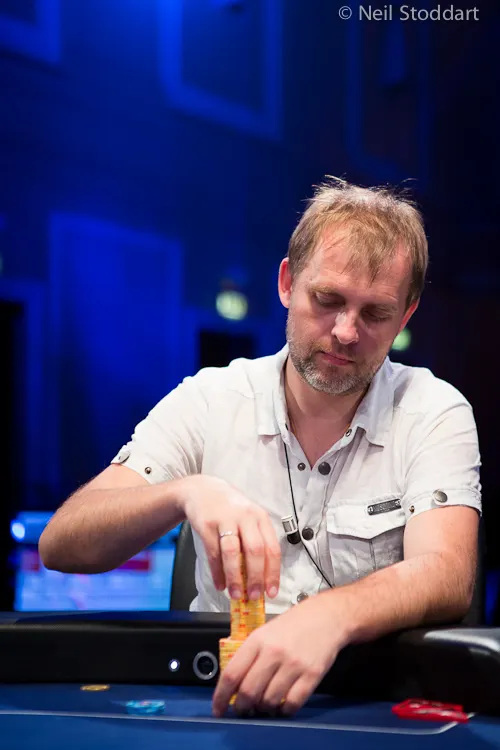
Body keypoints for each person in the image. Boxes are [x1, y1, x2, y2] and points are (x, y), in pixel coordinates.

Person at [39, 176, 481, 719]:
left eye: (375, 314)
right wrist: (185, 493)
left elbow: (447, 573)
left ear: (406, 316)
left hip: (365, 709)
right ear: (287, 283)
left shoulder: (434, 410)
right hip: (217, 702)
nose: (346, 332)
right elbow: (62, 544)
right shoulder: (210, 398)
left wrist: (331, 615)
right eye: (328, 300)